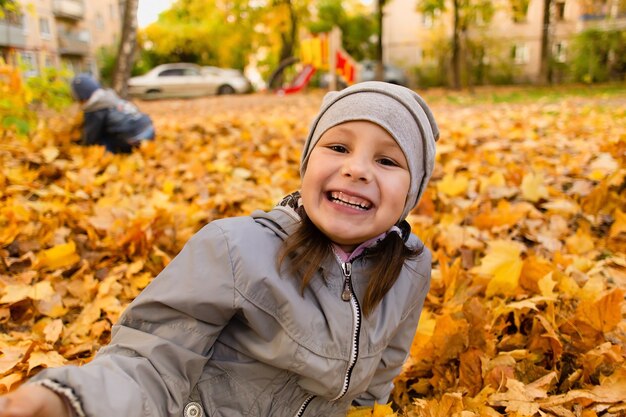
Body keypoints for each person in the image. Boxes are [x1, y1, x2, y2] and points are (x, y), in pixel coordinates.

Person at [0, 81, 439, 417]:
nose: (357, 168)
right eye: (338, 146)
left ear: (412, 191)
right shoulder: (235, 249)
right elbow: (152, 361)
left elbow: (380, 373)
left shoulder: (410, 267)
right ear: (307, 162)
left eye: (387, 160)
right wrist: (69, 401)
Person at [70, 73, 155, 154]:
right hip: (149, 130)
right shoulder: (111, 97)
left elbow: (91, 136)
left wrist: (81, 143)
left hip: (133, 140)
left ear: (82, 97)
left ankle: (109, 153)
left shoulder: (94, 108)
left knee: (100, 139)